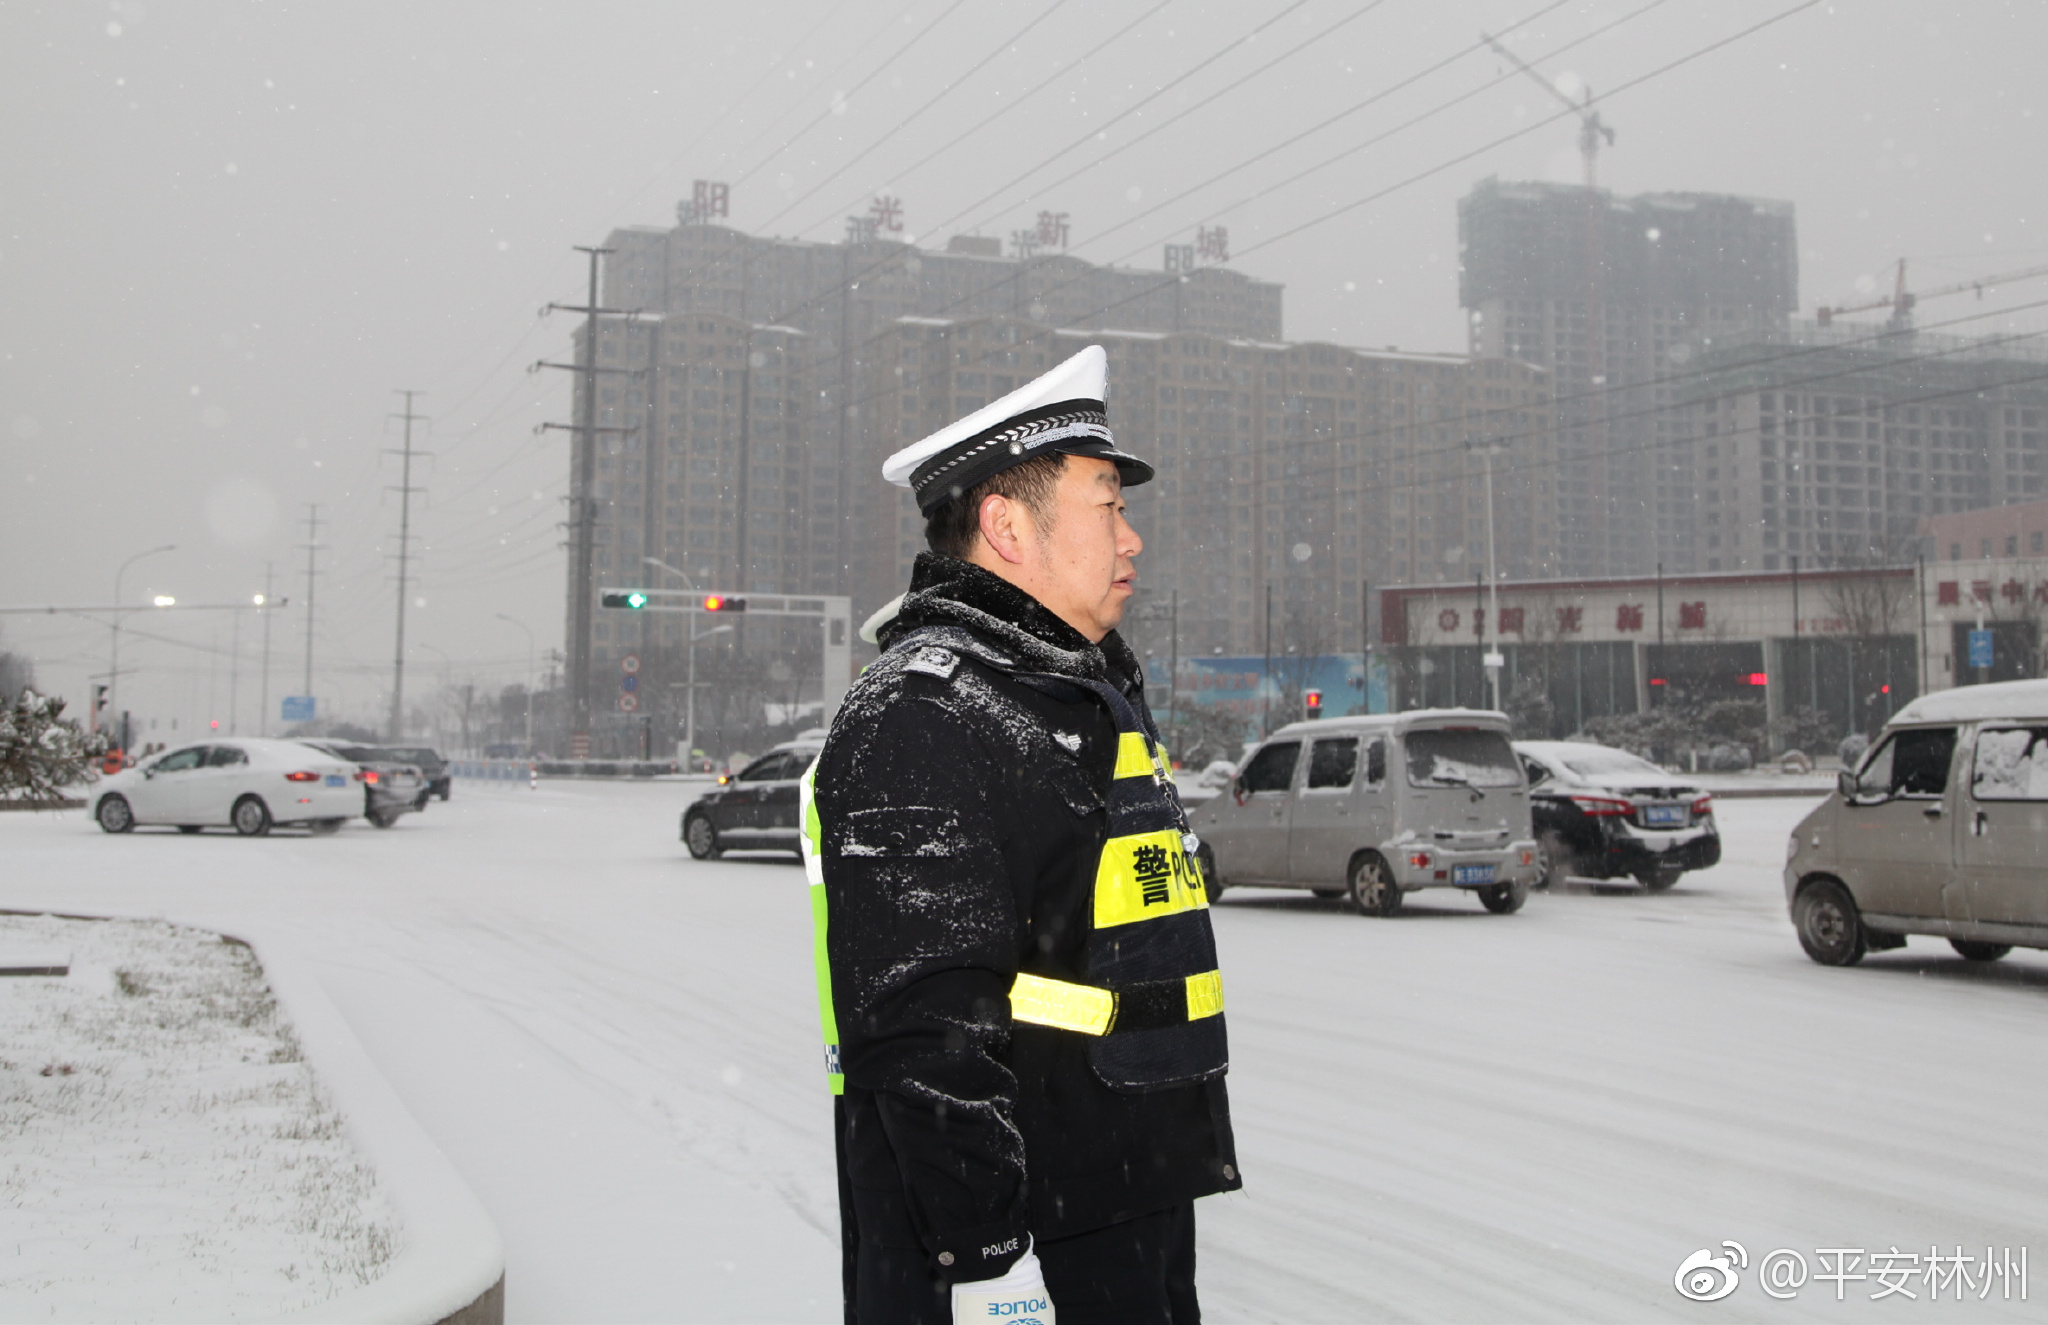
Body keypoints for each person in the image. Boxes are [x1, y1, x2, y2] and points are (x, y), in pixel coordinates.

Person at [802, 345, 1239, 1324]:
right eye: (1106, 506)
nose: (1131, 539)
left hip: (1121, 1188)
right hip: (1021, 1239)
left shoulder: (1073, 692)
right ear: (1005, 523)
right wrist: (991, 1259)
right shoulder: (927, 709)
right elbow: (923, 1025)